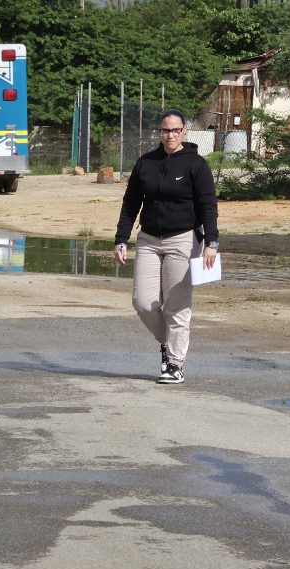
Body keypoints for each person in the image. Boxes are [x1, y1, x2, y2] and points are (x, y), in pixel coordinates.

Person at [113, 109, 219, 384]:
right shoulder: (146, 163)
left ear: (184, 131)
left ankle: (174, 364)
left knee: (176, 305)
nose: (170, 135)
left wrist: (211, 242)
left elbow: (208, 206)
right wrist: (121, 239)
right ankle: (168, 341)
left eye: (175, 130)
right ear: (159, 132)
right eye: (165, 130)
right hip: (148, 239)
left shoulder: (197, 165)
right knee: (142, 302)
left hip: (183, 239)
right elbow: (130, 204)